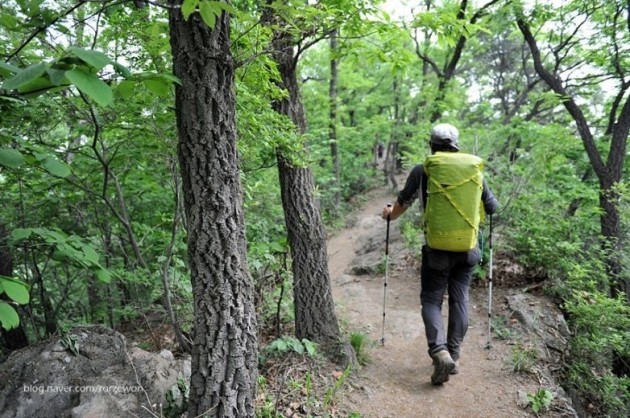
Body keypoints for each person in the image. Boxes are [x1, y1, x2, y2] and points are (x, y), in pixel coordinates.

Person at [381, 123, 498, 385]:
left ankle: (439, 351)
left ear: (432, 145)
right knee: (460, 299)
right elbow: (492, 208)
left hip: (436, 249)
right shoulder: (473, 172)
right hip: (468, 249)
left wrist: (388, 214)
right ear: (456, 146)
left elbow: (400, 207)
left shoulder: (423, 170)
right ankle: (453, 353)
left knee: (432, 301)